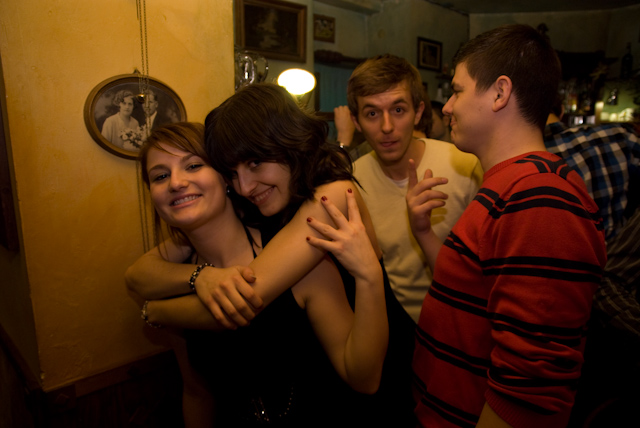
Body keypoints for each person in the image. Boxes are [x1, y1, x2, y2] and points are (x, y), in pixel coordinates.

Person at [126, 83, 417, 426]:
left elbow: (244, 297)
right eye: (233, 173)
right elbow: (140, 273)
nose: (245, 186)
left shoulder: (333, 196)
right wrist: (199, 276)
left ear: (286, 142)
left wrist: (156, 311)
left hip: (385, 376)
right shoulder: (259, 209)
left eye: (255, 162)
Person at [407, 24, 607, 428]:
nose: (446, 107)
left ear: (499, 93)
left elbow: (529, 392)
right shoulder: (511, 185)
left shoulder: (541, 198)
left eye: (457, 91)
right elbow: (474, 290)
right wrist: (424, 232)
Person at [345, 54, 482, 324]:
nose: (387, 127)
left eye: (398, 110)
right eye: (372, 113)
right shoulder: (352, 182)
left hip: (462, 320)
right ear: (356, 121)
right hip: (392, 326)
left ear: (418, 113)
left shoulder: (465, 165)